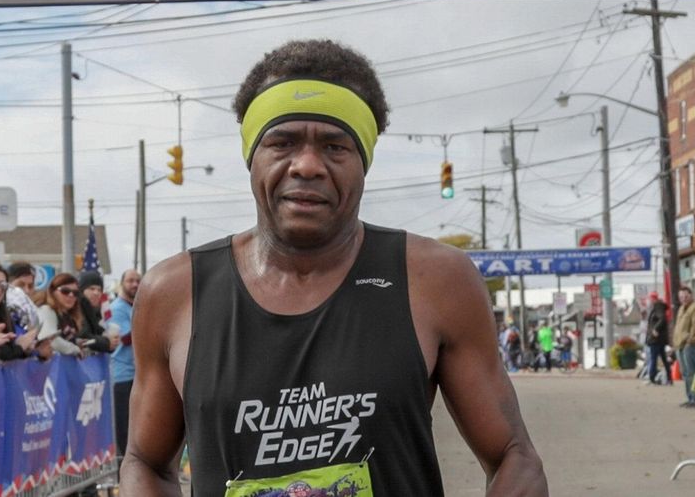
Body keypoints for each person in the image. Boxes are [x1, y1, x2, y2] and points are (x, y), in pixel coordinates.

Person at [120, 39, 547, 495]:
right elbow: (145, 461)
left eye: (335, 146)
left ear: (363, 161)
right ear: (252, 157)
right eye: (282, 142)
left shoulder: (436, 280)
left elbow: (512, 455)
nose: (307, 165)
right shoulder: (175, 291)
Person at [106, 269, 141, 456]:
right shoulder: (118, 308)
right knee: (124, 430)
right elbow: (125, 338)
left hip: (136, 376)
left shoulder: (135, 307)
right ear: (122, 283)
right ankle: (123, 470)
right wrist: (145, 324)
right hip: (121, 376)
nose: (135, 284)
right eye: (130, 281)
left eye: (138, 280)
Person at [37, 272, 86, 357]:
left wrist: (77, 342)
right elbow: (51, 340)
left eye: (75, 293)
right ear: (53, 292)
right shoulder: (47, 310)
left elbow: (65, 338)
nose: (71, 295)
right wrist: (74, 349)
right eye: (65, 291)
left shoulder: (69, 316)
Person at [672, 285, 695, 407]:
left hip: (689, 346)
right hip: (679, 345)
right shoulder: (681, 309)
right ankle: (690, 397)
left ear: (691, 295)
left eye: (686, 296)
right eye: (681, 297)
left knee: (692, 372)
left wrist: (691, 341)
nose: (684, 299)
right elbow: (678, 327)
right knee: (685, 373)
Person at [76, 271, 119, 355]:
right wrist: (107, 343)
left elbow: (99, 333)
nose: (96, 293)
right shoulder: (77, 309)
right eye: (91, 289)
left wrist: (112, 342)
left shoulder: (96, 311)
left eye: (99, 290)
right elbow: (84, 336)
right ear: (81, 290)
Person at [644, 291, 672, 385]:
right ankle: (669, 378)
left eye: (650, 299)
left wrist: (655, 329)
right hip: (658, 339)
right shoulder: (657, 307)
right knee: (663, 358)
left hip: (656, 339)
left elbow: (662, 319)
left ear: (653, 299)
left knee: (653, 358)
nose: (648, 301)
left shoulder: (658, 306)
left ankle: (652, 378)